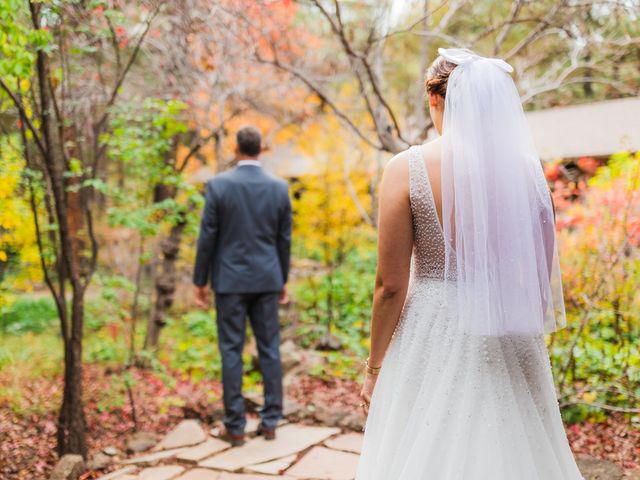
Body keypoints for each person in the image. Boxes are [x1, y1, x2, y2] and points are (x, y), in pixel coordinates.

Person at [356, 48, 584, 479]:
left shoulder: (405, 169)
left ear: (436, 100)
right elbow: (540, 275)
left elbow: (390, 285)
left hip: (432, 331)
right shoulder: (527, 173)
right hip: (510, 334)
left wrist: (374, 369)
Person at [193, 126, 292, 447]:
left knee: (231, 351)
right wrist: (283, 279)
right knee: (269, 350)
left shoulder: (218, 186)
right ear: (261, 148)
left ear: (236, 149)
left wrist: (200, 281)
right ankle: (270, 422)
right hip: (266, 279)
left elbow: (207, 236)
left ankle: (235, 427)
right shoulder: (279, 188)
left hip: (229, 281)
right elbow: (284, 239)